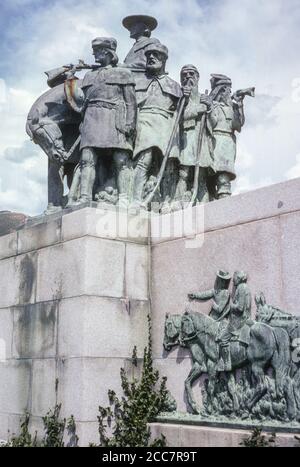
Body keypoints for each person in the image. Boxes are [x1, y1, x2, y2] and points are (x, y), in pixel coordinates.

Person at [67, 37, 137, 206]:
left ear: (107, 52)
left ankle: (124, 198)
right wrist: (70, 80)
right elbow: (80, 100)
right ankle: (85, 197)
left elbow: (131, 102)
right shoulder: (89, 76)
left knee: (121, 160)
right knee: (87, 159)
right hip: (92, 118)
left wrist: (130, 123)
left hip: (115, 118)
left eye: (97, 50)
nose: (94, 53)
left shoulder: (123, 73)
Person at [131, 43, 182, 208]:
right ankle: (136, 199)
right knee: (143, 159)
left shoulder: (174, 86)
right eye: (148, 55)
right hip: (144, 121)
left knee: (168, 165)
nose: (151, 58)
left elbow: (183, 111)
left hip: (166, 125)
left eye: (155, 55)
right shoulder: (137, 82)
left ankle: (166, 201)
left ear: (164, 59)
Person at [173, 64, 215, 209]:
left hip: (201, 139)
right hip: (187, 137)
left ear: (197, 77)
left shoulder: (204, 98)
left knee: (201, 174)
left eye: (191, 74)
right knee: (183, 172)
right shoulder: (180, 96)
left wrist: (208, 108)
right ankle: (178, 201)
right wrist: (198, 109)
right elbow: (179, 117)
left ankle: (204, 203)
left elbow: (214, 123)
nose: (188, 77)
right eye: (184, 75)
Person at [209, 74, 245, 199]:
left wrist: (239, 105)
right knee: (211, 179)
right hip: (214, 142)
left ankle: (224, 203)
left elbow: (238, 125)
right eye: (228, 90)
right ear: (222, 90)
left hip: (227, 144)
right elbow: (210, 124)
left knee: (224, 178)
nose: (230, 93)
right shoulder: (213, 106)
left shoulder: (233, 108)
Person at [218, 271, 252, 371]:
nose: (233, 280)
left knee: (222, 338)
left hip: (238, 322)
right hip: (244, 319)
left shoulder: (241, 288)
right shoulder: (245, 287)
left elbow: (240, 308)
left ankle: (227, 363)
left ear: (240, 278)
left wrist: (231, 304)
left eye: (235, 277)